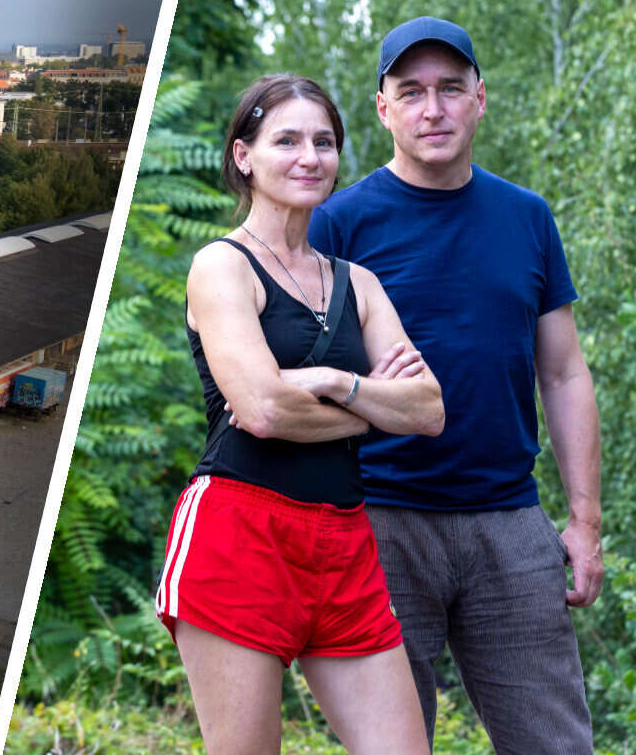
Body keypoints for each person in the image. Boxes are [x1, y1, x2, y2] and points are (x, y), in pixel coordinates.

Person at [308, 16, 603, 754]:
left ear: (480, 99)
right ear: (383, 110)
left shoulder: (527, 218)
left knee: (557, 744)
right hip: (379, 521)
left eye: (449, 89)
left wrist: (586, 523)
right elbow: (300, 382)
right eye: (411, 92)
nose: (431, 109)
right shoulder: (336, 224)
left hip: (510, 525)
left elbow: (563, 373)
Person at [155, 73, 444, 755]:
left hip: (345, 544)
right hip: (239, 533)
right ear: (243, 155)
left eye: (324, 141)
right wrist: (377, 404)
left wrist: (329, 380)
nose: (309, 157)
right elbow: (259, 409)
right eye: (286, 140)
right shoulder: (220, 266)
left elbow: (429, 409)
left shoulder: (359, 283)